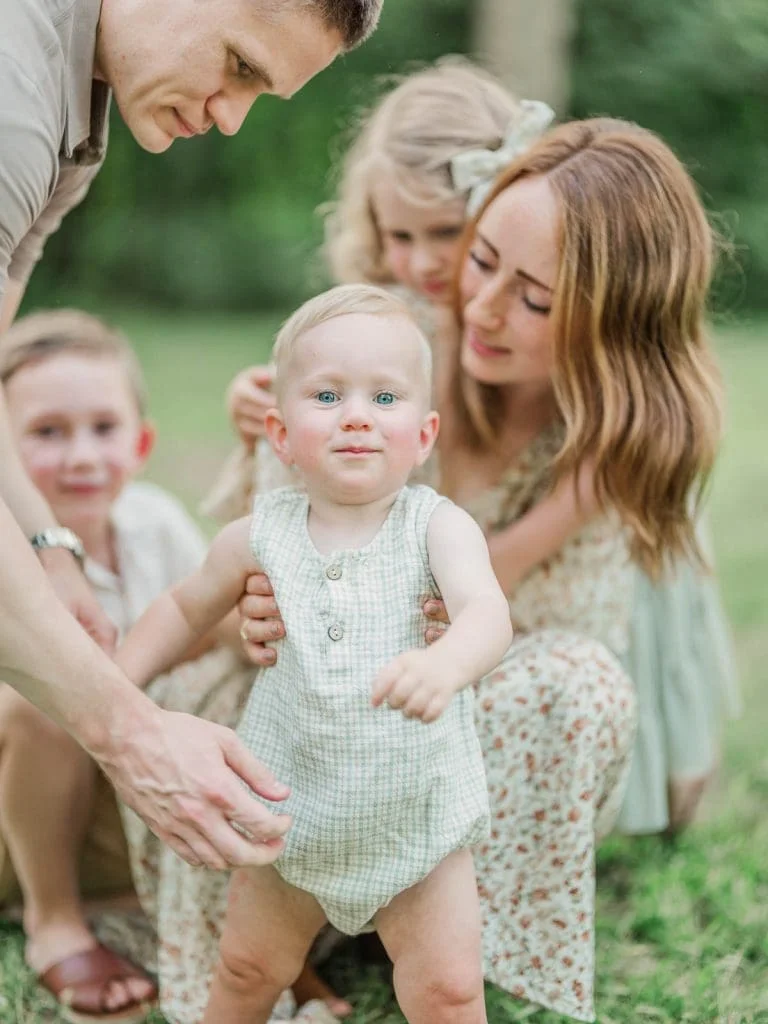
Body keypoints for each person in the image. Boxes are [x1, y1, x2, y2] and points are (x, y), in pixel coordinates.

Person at [233, 118, 723, 1021]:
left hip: (459, 732)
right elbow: (282, 529)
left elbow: (518, 626)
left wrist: (449, 647)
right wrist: (269, 600)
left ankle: (432, 927)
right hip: (319, 711)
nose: (486, 306)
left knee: (581, 684)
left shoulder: (612, 437)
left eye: (537, 299)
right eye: (482, 256)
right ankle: (298, 933)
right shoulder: (386, 347)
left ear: (617, 322)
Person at [0, 0, 382, 870]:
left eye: (262, 94)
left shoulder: (76, 117)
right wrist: (128, 734)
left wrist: (52, 553)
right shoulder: (12, 94)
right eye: (240, 65)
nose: (230, 116)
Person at [115, 284, 513, 1024]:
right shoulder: (259, 534)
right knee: (245, 968)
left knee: (449, 990)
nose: (357, 414)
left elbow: (488, 612)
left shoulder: (437, 527)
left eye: (384, 398)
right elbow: (181, 608)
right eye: (327, 395)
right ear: (280, 432)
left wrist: (446, 663)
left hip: (415, 822)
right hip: (289, 818)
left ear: (424, 436)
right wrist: (117, 689)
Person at [0, 309, 262, 1019]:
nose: (83, 455)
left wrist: (255, 622)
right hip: (17, 816)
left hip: (119, 811)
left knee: (230, 686)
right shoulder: (11, 561)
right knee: (48, 696)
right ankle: (52, 919)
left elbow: (206, 630)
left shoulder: (153, 523)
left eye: (103, 429)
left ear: (141, 441)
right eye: (48, 433)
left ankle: (149, 900)